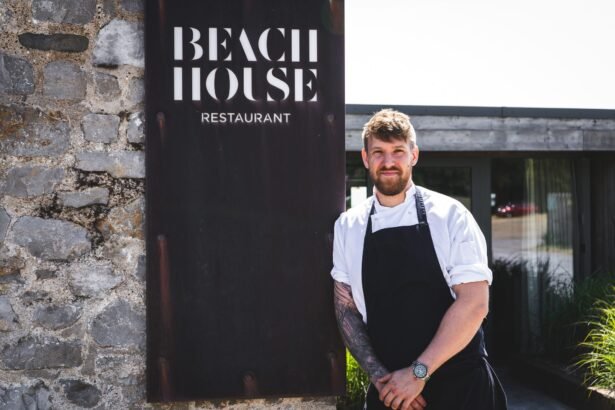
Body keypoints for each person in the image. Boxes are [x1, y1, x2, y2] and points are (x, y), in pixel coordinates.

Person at [331, 109, 507, 410]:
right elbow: (345, 309)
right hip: (392, 394)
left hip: (462, 390)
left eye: (398, 151)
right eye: (378, 152)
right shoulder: (349, 226)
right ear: (365, 158)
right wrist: (382, 379)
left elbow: (475, 304)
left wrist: (416, 374)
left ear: (413, 155)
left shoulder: (450, 216)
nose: (388, 162)